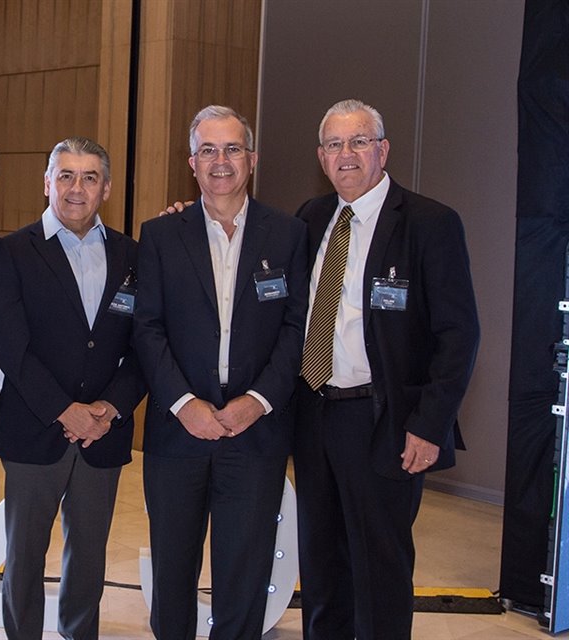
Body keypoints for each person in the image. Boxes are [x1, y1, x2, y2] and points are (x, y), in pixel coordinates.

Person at [292, 98, 479, 639]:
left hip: (385, 422)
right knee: (322, 565)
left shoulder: (429, 223)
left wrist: (429, 424)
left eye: (358, 142)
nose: (346, 154)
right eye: (334, 144)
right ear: (322, 157)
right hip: (313, 415)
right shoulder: (310, 217)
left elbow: (458, 335)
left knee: (380, 566)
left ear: (383, 150)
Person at [134, 105, 308, 639]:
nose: (220, 161)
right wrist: (185, 405)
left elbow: (297, 329)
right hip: (177, 434)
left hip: (255, 434)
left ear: (251, 159)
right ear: (192, 162)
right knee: (173, 570)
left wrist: (256, 401)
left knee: (244, 572)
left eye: (232, 148)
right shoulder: (161, 235)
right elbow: (147, 329)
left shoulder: (289, 234)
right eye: (208, 149)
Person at [0, 137, 146, 640]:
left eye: (90, 177)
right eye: (67, 176)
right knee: (25, 555)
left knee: (89, 556)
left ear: (107, 188)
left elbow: (147, 345)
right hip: (34, 429)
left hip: (104, 434)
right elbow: (9, 346)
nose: (78, 188)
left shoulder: (133, 255)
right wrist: (64, 410)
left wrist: (110, 408)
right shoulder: (12, 251)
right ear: (47, 182)